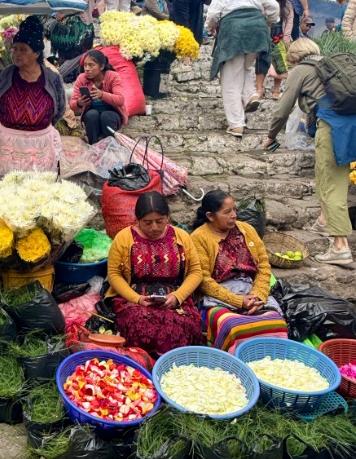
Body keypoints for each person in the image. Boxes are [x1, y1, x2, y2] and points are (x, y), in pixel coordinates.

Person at [263, 38, 355, 265]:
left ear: (294, 57)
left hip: (332, 127)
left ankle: (340, 247)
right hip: (352, 124)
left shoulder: (302, 69)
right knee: (333, 177)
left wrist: (271, 135)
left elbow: (283, 108)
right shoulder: (332, 65)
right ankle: (324, 221)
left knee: (330, 182)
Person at [105, 192, 204, 358]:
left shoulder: (182, 237)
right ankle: (144, 365)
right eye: (147, 223)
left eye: (160, 221)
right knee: (139, 324)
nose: (154, 227)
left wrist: (178, 296)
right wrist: (136, 299)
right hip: (134, 296)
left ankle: (172, 368)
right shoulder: (124, 238)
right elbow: (114, 274)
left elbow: (195, 271)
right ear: (137, 220)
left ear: (168, 217)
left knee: (182, 326)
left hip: (173, 296)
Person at [190, 190, 288, 353]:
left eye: (234, 209)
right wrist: (238, 301)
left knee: (276, 323)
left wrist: (258, 295)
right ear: (210, 216)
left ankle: (267, 368)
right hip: (217, 296)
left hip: (251, 290)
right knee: (232, 325)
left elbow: (263, 265)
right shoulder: (199, 238)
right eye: (227, 212)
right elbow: (203, 280)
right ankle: (232, 366)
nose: (234, 215)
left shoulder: (247, 230)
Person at [206, 0, 279, 138]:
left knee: (230, 79)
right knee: (245, 67)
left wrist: (210, 26)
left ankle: (236, 124)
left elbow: (214, 13)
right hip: (257, 31)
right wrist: (269, 20)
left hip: (234, 32)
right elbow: (274, 8)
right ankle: (250, 95)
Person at [0, 16, 66, 176]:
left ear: (36, 53)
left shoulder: (52, 78)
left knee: (38, 187)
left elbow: (59, 109)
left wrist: (37, 126)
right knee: (9, 187)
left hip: (40, 145)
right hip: (9, 144)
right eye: (15, 48)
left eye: (23, 49)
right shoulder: (4, 75)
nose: (16, 54)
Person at [70, 49, 127, 143]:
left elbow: (120, 100)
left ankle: (109, 146)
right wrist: (79, 103)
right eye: (85, 65)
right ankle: (93, 145)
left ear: (101, 66)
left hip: (112, 116)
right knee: (91, 114)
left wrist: (102, 95)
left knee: (106, 116)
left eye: (91, 65)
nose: (87, 68)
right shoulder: (82, 78)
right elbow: (72, 104)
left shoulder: (113, 77)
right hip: (93, 116)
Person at [51, 0, 95, 64]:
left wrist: (63, 14)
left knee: (77, 54)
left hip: (82, 28)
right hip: (68, 28)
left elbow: (78, 5)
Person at [265, 0, 294, 99]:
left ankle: (276, 90)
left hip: (280, 36)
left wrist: (287, 36)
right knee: (264, 62)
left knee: (279, 64)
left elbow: (290, 21)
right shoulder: (265, 4)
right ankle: (259, 88)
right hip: (268, 35)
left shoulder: (286, 5)